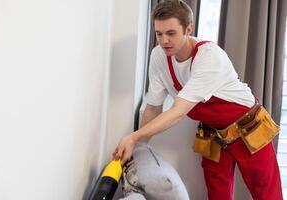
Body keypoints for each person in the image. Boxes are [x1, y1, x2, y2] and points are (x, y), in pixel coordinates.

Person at [113, 0, 283, 199]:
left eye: (171, 33)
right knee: (217, 193)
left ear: (188, 29)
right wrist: (139, 146)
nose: (164, 41)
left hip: (249, 128)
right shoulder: (159, 56)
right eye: (159, 34)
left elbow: (178, 112)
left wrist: (133, 138)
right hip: (214, 135)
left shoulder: (209, 57)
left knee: (266, 192)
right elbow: (153, 108)